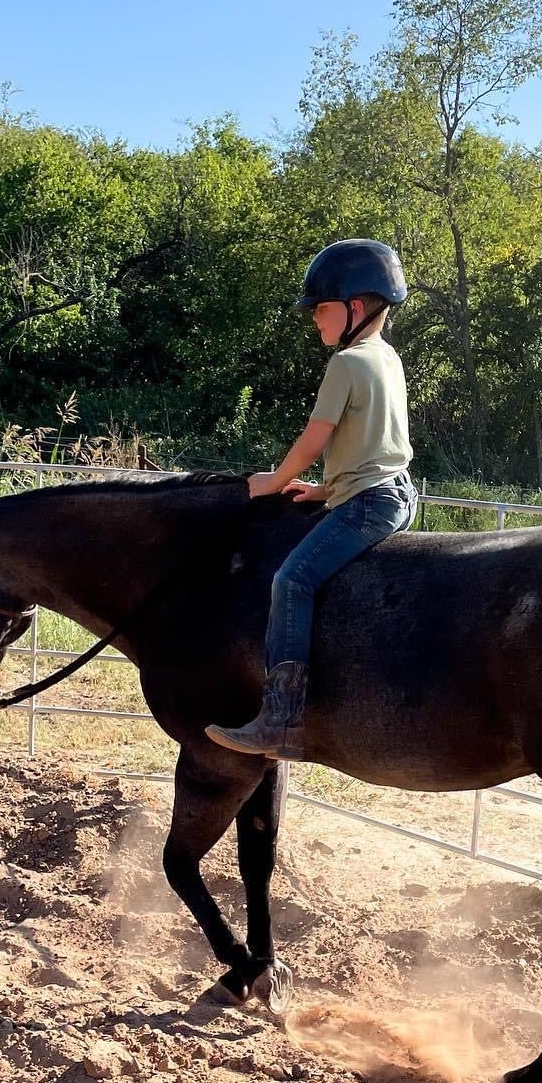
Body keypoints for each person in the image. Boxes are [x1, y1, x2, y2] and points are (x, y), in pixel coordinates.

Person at [206, 239, 417, 760]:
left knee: (292, 580)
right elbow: (377, 448)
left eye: (320, 310)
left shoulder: (347, 362)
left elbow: (315, 438)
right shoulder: (386, 359)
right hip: (395, 492)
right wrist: (324, 490)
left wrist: (275, 481)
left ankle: (281, 719)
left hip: (370, 503)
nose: (315, 321)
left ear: (355, 308)